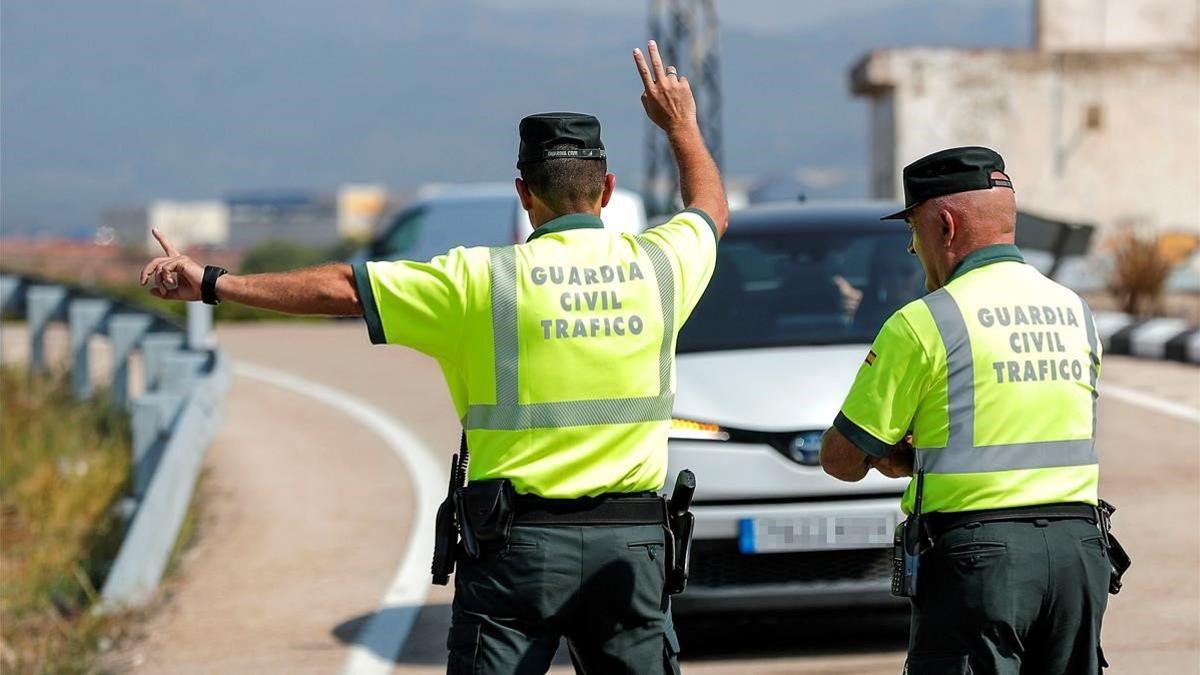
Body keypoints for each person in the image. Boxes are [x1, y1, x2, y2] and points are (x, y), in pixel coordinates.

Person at [140, 40, 727, 675]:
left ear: (523, 194)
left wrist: (211, 283)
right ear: (607, 189)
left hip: (517, 552)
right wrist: (681, 124)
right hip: (631, 549)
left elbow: (343, 287)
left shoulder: (479, 280)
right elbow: (709, 211)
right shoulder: (662, 265)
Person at [819, 147, 1112, 674]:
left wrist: (897, 456)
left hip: (981, 561)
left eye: (913, 229)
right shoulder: (1077, 312)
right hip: (1079, 553)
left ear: (945, 225)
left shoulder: (925, 322)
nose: (912, 247)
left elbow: (842, 460)